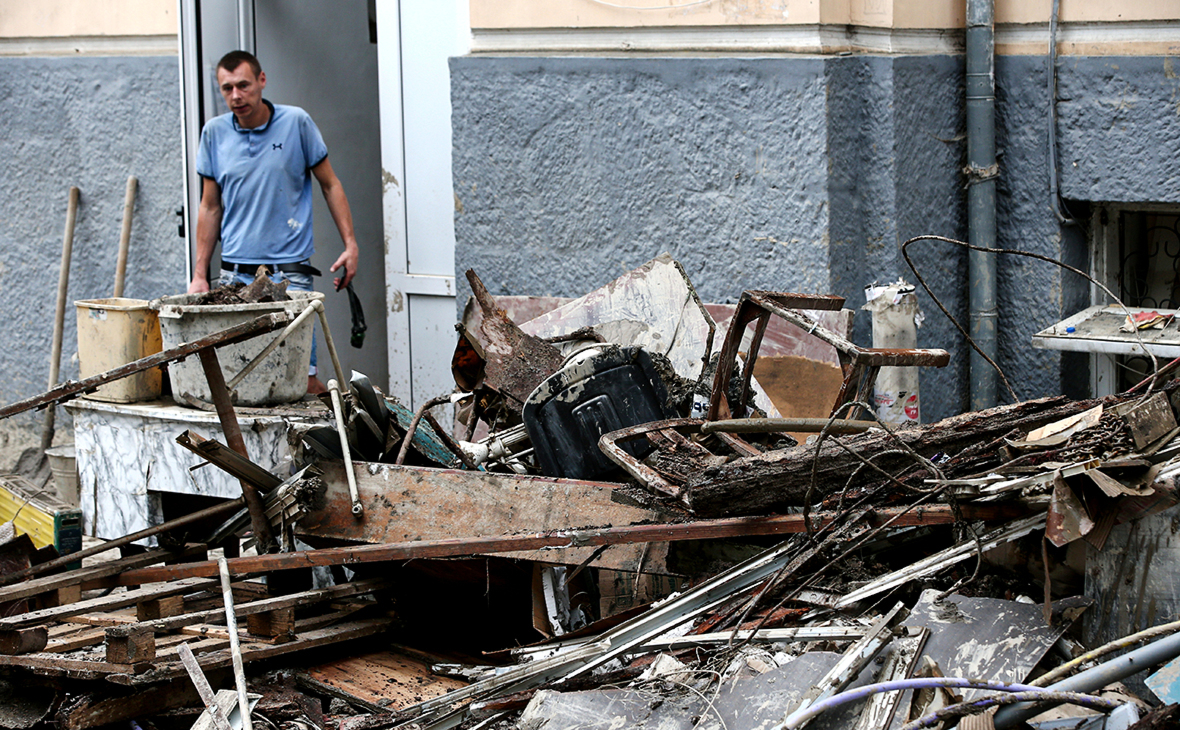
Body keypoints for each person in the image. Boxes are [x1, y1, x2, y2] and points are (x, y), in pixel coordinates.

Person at [188, 50, 359, 395]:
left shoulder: (296, 123)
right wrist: (199, 275)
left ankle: (333, 441)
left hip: (289, 275)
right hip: (235, 278)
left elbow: (330, 184)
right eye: (227, 88)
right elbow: (209, 207)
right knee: (236, 378)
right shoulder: (215, 133)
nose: (236, 96)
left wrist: (350, 244)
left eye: (243, 85)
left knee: (302, 380)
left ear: (262, 81)